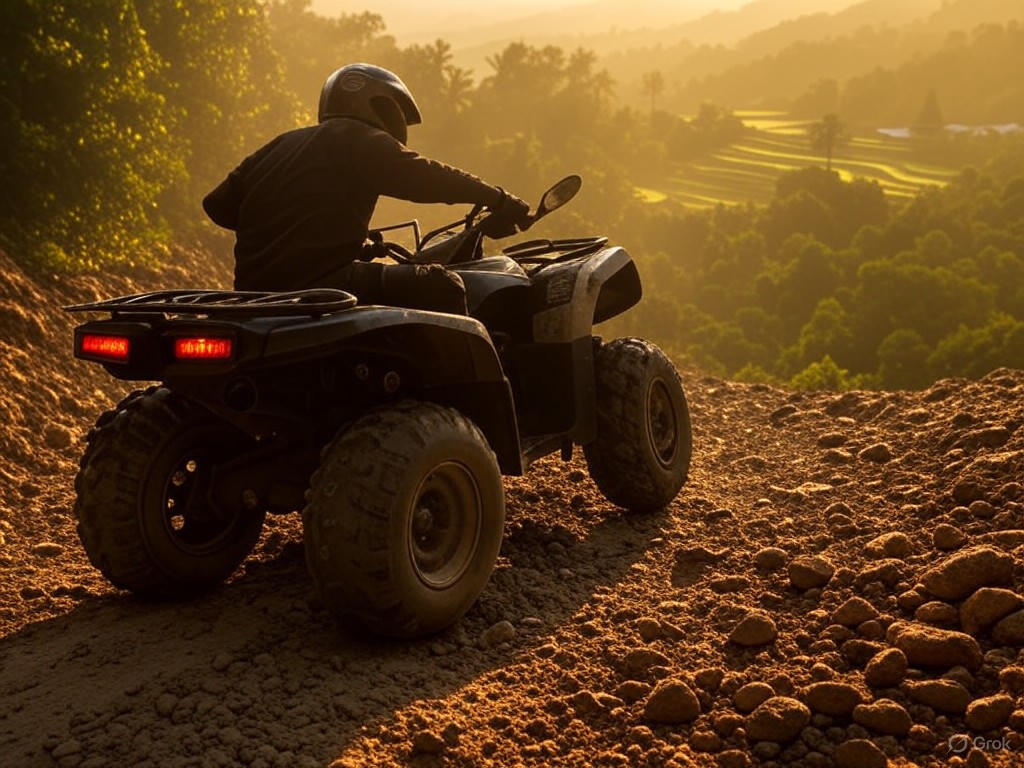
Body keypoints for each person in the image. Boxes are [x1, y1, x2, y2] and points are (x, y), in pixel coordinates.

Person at [202, 63, 531, 314]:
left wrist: (306, 232)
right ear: (382, 104)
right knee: (442, 285)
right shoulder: (361, 138)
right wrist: (498, 198)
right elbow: (427, 177)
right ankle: (466, 386)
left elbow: (217, 206)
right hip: (324, 284)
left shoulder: (281, 143)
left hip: (253, 294)